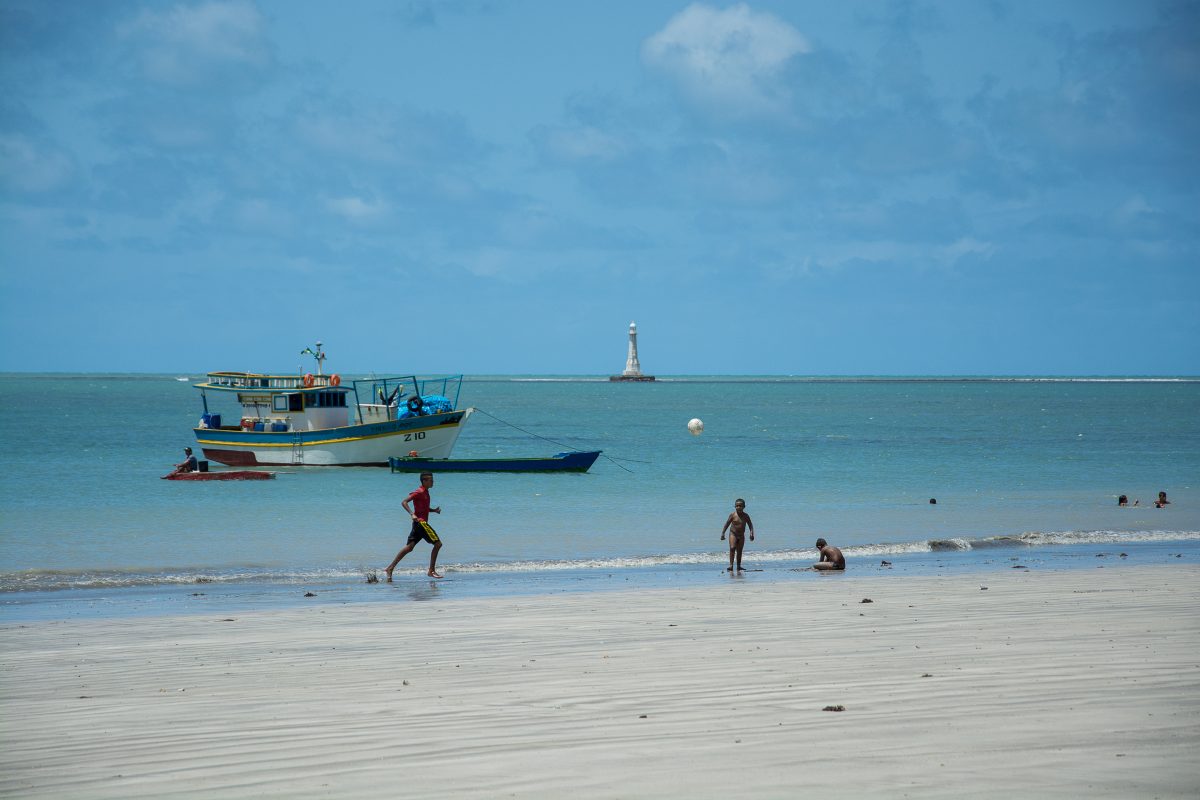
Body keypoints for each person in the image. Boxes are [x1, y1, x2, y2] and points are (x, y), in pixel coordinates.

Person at [385, 472, 443, 580]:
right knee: (438, 544)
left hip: (418, 524)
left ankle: (390, 568)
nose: (433, 482)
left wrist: (433, 510)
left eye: (432, 480)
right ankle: (431, 570)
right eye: (431, 480)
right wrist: (412, 514)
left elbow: (423, 507)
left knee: (409, 547)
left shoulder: (426, 492)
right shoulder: (419, 492)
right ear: (424, 481)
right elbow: (404, 502)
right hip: (421, 523)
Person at [720, 498, 755, 572]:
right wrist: (723, 533)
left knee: (739, 550)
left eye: (740, 506)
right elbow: (727, 524)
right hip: (733, 534)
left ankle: (739, 566)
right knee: (732, 548)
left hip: (741, 535)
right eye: (737, 506)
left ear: (744, 507)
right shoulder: (733, 515)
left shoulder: (746, 516)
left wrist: (751, 533)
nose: (738, 507)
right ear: (735, 506)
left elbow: (750, 525)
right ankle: (731, 565)